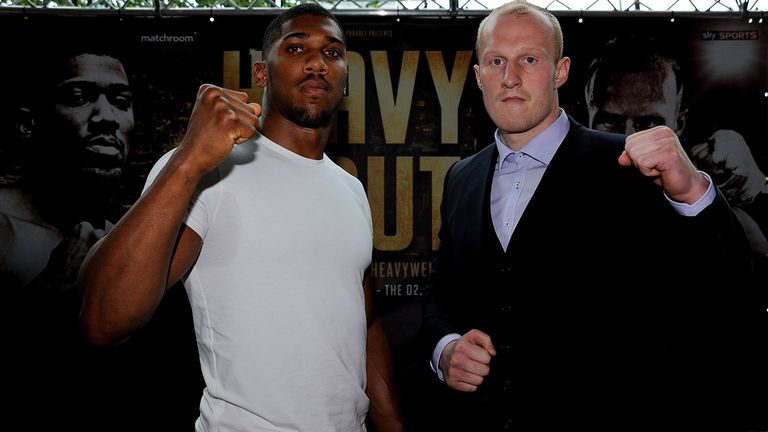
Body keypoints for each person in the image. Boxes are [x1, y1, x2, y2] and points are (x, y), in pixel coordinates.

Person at [420, 1, 767, 430]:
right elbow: (441, 288)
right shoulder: (462, 178)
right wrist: (446, 348)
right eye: (496, 61)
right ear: (478, 76)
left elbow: (726, 283)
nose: (510, 78)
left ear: (560, 71)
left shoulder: (628, 166)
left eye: (529, 59)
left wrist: (694, 191)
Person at [78, 4, 404, 432]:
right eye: (295, 48)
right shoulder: (208, 168)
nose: (316, 63)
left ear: (345, 78)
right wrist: (187, 161)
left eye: (332, 53)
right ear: (262, 74)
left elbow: (367, 326)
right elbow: (104, 320)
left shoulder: (351, 190)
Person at [583, 34, 768, 260]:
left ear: (679, 123)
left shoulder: (705, 177)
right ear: (588, 117)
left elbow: (749, 262)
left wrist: (756, 192)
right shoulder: (561, 177)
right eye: (611, 121)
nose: (629, 138)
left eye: (648, 122)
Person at [0, 48, 134, 291]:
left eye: (121, 102)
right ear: (28, 124)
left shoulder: (127, 239)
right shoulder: (4, 228)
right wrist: (52, 286)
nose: (108, 117)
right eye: (78, 97)